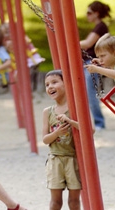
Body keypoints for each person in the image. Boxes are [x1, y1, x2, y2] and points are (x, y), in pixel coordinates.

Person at [43, 70, 90, 210]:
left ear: (67, 84)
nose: (50, 86)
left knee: (74, 201)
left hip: (73, 159)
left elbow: (89, 130)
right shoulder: (48, 111)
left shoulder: (76, 108)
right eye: (47, 84)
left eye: (54, 82)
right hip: (55, 159)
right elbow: (45, 139)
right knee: (55, 201)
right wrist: (56, 133)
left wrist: (70, 121)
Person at [79, 1, 111, 131]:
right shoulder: (99, 27)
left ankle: (99, 122)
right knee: (88, 92)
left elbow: (87, 43)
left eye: (89, 13)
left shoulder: (100, 27)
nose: (87, 16)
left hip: (92, 63)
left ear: (96, 14)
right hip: (88, 63)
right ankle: (96, 121)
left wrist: (69, 41)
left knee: (91, 93)